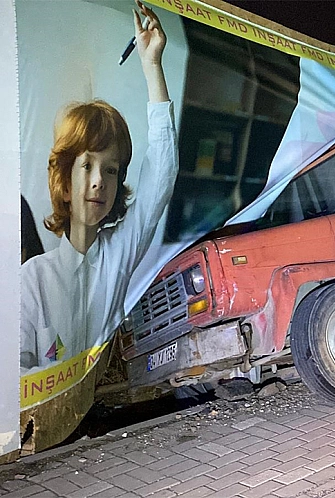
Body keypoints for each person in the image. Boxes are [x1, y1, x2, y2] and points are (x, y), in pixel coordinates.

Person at [20, 1, 178, 369]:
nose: (98, 182)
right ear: (62, 182)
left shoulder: (117, 252)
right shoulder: (33, 280)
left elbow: (161, 177)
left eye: (111, 170)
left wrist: (152, 66)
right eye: (86, 165)